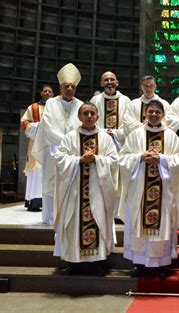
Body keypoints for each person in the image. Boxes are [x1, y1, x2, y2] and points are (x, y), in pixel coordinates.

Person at [118, 100, 179, 278]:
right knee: (140, 224)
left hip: (163, 192)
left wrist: (161, 159)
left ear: (163, 114)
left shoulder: (170, 135)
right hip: (140, 191)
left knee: (162, 225)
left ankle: (161, 264)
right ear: (145, 113)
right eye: (151, 112)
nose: (154, 115)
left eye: (157, 112)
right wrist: (140, 157)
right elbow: (122, 159)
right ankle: (140, 263)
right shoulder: (136, 134)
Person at [53, 103, 119, 275]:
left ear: (97, 116)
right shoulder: (70, 137)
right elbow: (60, 159)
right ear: (79, 117)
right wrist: (80, 160)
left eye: (92, 113)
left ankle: (98, 262)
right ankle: (76, 262)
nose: (89, 116)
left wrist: (96, 159)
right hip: (75, 190)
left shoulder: (105, 138)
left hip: (99, 190)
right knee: (75, 223)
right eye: (85, 113)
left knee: (99, 222)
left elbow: (114, 161)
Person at [32, 63, 83, 225]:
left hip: (74, 153)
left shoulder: (81, 105)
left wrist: (71, 144)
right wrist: (65, 141)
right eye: (66, 86)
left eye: (72, 86)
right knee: (51, 182)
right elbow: (46, 125)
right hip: (53, 150)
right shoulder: (51, 103)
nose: (69, 89)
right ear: (60, 87)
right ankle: (49, 218)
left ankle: (71, 216)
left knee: (72, 183)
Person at [21, 85, 54, 211]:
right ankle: (34, 201)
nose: (47, 93)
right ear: (41, 93)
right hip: (36, 143)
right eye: (45, 91)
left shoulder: (57, 107)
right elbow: (25, 122)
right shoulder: (33, 107)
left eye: (49, 91)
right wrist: (40, 126)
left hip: (52, 144)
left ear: (53, 94)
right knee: (35, 171)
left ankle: (49, 201)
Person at [90, 71, 132, 149]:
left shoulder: (126, 100)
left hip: (119, 143)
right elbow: (90, 121)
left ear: (117, 83)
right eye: (106, 80)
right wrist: (103, 132)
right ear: (101, 83)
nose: (109, 82)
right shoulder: (95, 100)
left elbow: (129, 123)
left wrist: (115, 133)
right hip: (100, 140)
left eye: (112, 79)